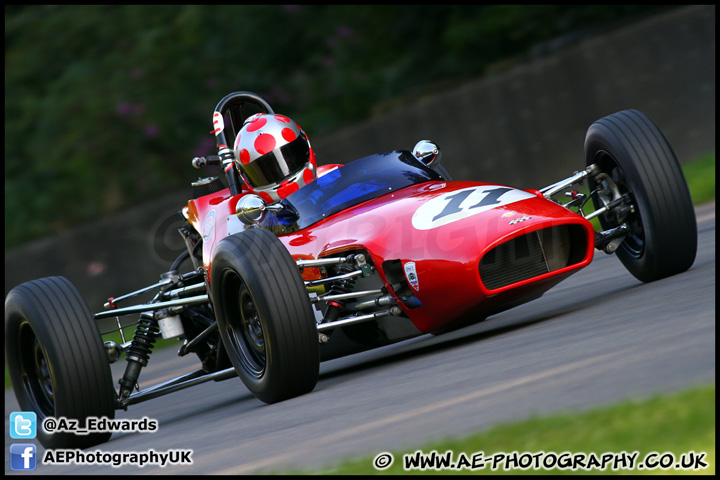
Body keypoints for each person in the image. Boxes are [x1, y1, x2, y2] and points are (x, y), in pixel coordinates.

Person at [233, 113, 317, 204]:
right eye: (267, 170)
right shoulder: (252, 210)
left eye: (289, 160)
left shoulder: (331, 176)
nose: (281, 171)